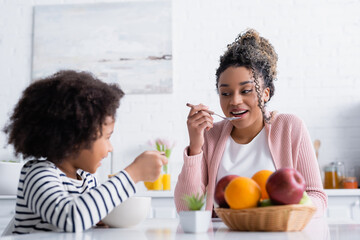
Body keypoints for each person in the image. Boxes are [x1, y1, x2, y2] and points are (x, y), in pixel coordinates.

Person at [174, 29, 327, 217]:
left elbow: (317, 198)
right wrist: (195, 147)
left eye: (246, 91)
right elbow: (187, 210)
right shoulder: (210, 136)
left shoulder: (290, 127)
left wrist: (285, 212)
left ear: (265, 93)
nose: (235, 101)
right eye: (226, 93)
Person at [3, 70, 167, 234]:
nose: (111, 148)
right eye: (107, 138)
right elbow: (71, 218)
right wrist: (133, 174)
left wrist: (97, 216)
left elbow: (83, 215)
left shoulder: (87, 179)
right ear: (75, 138)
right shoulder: (38, 175)